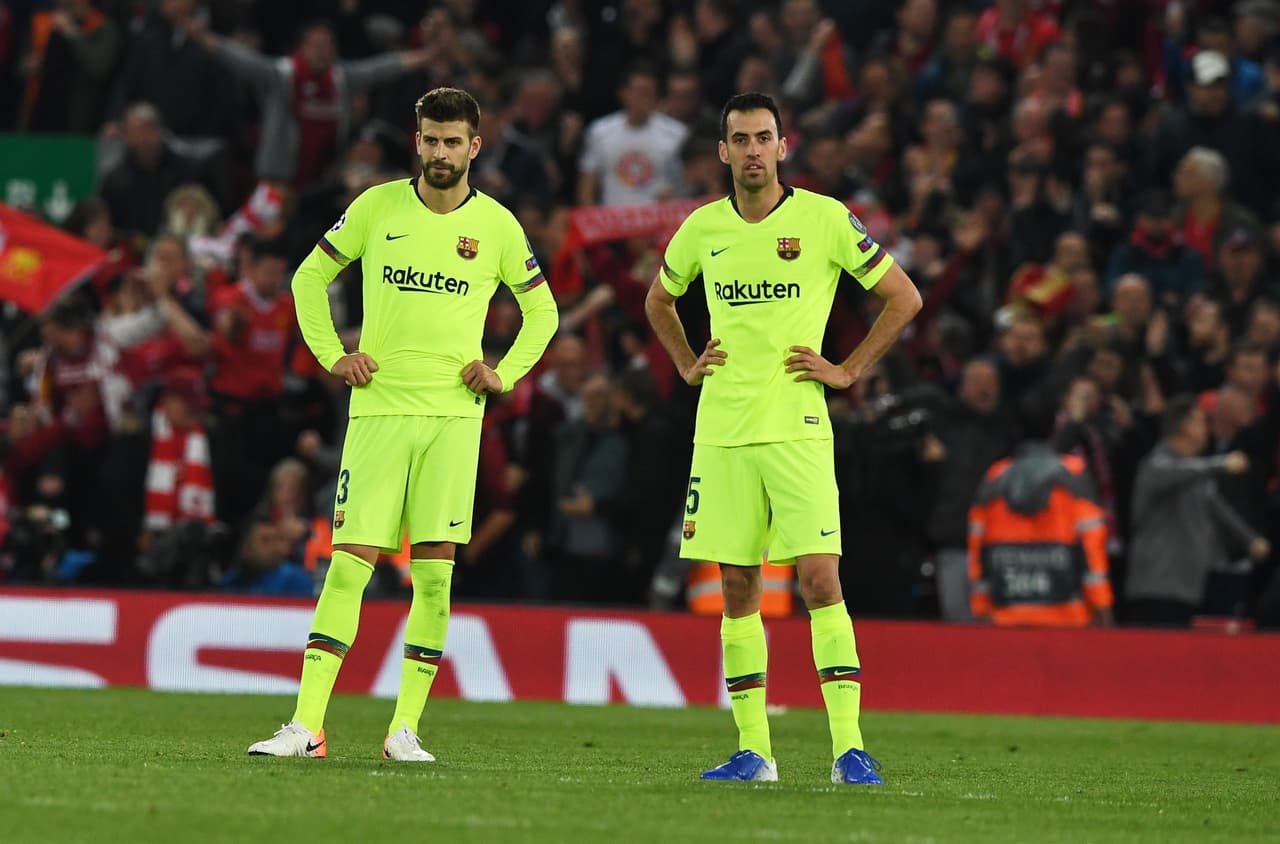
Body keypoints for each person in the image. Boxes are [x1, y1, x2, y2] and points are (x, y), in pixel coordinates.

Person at [247, 87, 558, 761]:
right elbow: (307, 280)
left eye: (453, 142)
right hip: (381, 412)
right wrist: (335, 354)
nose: (440, 153)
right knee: (348, 568)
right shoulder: (376, 207)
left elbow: (544, 314)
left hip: (453, 418)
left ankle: (404, 730)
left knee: (436, 575)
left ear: (475, 146)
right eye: (430, 140)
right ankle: (307, 726)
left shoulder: (499, 227)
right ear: (416, 142)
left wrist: (503, 373)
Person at [645, 92, 922, 785]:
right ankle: (754, 752)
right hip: (723, 431)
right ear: (722, 151)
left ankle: (849, 749)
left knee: (819, 578)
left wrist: (849, 369)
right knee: (738, 585)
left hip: (797, 428)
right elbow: (658, 299)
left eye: (763, 137)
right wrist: (686, 362)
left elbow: (904, 296)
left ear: (782, 145)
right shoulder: (701, 228)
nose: (752, 151)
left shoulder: (826, 220)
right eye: (739, 139)